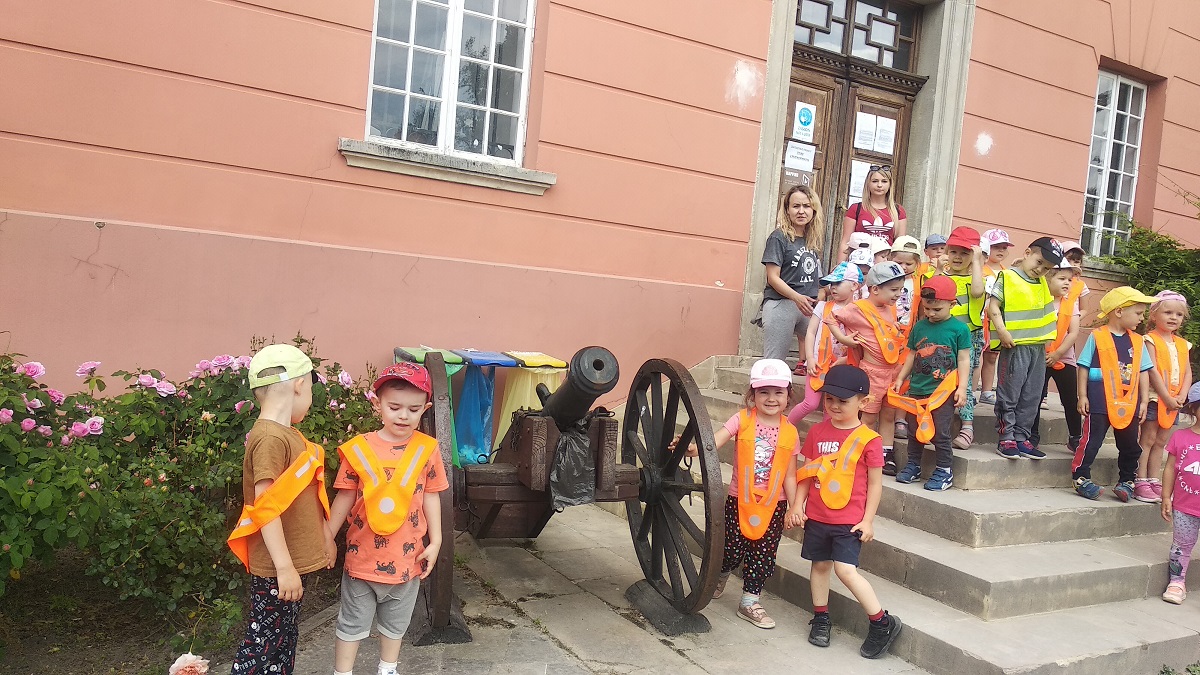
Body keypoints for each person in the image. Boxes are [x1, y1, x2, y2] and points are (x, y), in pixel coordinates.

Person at [327, 364, 447, 675]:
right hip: (361, 560)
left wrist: (436, 540)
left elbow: (431, 494)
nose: (403, 416)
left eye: (413, 409)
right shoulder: (359, 449)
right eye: (394, 407)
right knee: (351, 623)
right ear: (376, 404)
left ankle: (388, 668)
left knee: (396, 624)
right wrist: (327, 536)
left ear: (425, 409)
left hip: (407, 560)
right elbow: (344, 495)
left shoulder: (427, 450)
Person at [228, 344, 336, 675]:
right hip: (277, 566)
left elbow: (303, 497)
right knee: (264, 646)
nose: (311, 401)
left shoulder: (286, 435)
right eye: (311, 392)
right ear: (299, 385)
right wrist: (285, 567)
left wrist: (324, 538)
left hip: (287, 564)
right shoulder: (271, 439)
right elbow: (266, 507)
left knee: (282, 640)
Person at [787, 364, 901, 659]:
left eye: (843, 400)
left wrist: (868, 520)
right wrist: (797, 505)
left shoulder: (870, 440)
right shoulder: (816, 432)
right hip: (817, 517)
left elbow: (875, 484)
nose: (835, 405)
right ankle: (821, 618)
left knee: (845, 570)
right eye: (829, 399)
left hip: (849, 521)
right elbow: (807, 474)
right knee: (820, 566)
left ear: (864, 402)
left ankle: (881, 623)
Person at [707, 359, 799, 629]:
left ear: (788, 396)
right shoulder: (742, 419)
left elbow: (790, 475)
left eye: (778, 392)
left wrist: (795, 506)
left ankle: (749, 601)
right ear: (752, 394)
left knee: (763, 554)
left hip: (774, 505)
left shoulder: (791, 431)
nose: (771, 398)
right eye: (764, 392)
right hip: (740, 500)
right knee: (731, 549)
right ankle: (721, 574)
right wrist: (693, 448)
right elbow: (716, 440)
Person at [1071, 286, 1159, 500]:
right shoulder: (1097, 336)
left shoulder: (1138, 341)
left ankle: (1127, 481)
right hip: (1099, 401)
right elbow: (1083, 366)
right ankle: (1081, 478)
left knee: (1130, 445)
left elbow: (1144, 371)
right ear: (1119, 311)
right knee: (1091, 441)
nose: (1142, 318)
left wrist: (1144, 401)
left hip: (1128, 403)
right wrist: (1082, 395)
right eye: (1138, 313)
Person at [888, 275, 972, 490]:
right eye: (927, 308)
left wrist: (962, 388)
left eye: (937, 309)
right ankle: (913, 465)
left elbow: (964, 359)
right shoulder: (919, 327)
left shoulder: (960, 329)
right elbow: (911, 354)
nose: (931, 313)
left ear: (952, 304)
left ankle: (944, 470)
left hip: (943, 392)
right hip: (917, 389)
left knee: (941, 432)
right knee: (914, 431)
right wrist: (901, 378)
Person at [825, 262, 907, 475]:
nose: (898, 294)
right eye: (894, 289)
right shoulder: (858, 308)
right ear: (875, 288)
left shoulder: (890, 308)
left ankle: (886, 453)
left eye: (900, 289)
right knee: (869, 416)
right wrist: (844, 339)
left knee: (888, 415)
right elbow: (831, 318)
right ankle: (863, 451)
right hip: (872, 372)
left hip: (893, 372)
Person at [985, 237, 1064, 460]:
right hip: (1015, 346)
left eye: (1046, 268)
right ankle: (1006, 437)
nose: (1040, 270)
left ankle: (1021, 437)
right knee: (1010, 394)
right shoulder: (1008, 277)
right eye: (1039, 262)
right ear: (1027, 253)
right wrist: (1002, 331)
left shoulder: (1041, 282)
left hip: (1037, 348)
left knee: (1032, 396)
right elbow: (993, 306)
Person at [760, 185, 825, 372]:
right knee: (773, 365)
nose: (801, 211)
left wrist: (823, 293)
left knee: (824, 353)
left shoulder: (812, 239)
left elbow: (816, 277)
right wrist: (797, 297)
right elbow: (773, 278)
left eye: (806, 206)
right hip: (782, 304)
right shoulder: (778, 237)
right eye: (796, 206)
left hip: (808, 307)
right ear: (787, 210)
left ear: (813, 210)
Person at [788, 262, 861, 425]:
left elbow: (860, 340)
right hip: (817, 364)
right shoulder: (822, 306)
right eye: (831, 283)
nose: (833, 287)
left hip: (841, 367)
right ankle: (786, 428)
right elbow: (811, 332)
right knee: (810, 403)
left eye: (838, 283)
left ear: (854, 286)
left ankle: (827, 438)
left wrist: (845, 360)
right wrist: (809, 359)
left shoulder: (859, 311)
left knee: (832, 409)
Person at [1137, 291, 1193, 503]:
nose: (1173, 317)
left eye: (1178, 314)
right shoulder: (1150, 340)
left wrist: (1182, 395)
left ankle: (1153, 479)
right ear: (1153, 315)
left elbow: (1187, 372)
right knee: (1148, 439)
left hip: (1174, 401)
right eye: (1167, 312)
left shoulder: (1183, 344)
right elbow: (1151, 370)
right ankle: (1140, 479)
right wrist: (1166, 397)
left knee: (1161, 441)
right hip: (1155, 398)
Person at [1029, 259, 1085, 454]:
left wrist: (1058, 353)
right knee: (1035, 397)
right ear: (1048, 278)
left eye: (1069, 279)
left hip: (1064, 358)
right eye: (1062, 278)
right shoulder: (1039, 300)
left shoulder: (1071, 304)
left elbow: (1073, 332)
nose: (1067, 283)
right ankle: (1032, 434)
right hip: (1040, 358)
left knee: (1070, 399)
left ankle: (1075, 436)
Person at [940, 226, 986, 450]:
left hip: (968, 338)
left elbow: (977, 292)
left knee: (964, 382)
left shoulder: (976, 278)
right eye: (954, 251)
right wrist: (938, 270)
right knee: (939, 378)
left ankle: (967, 426)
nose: (957, 257)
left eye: (965, 253)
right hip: (942, 336)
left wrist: (977, 262)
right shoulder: (940, 274)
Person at [1160, 382, 1200, 604]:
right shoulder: (1180, 437)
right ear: (1193, 408)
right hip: (1185, 506)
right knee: (1181, 546)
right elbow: (1170, 468)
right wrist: (1166, 496)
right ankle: (1177, 582)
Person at [977, 228, 1013, 406]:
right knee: (977, 355)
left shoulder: (1007, 272)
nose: (1001, 251)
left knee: (992, 356)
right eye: (996, 246)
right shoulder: (980, 268)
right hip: (980, 318)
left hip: (996, 320)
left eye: (1004, 247)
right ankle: (972, 388)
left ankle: (986, 390)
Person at [840, 165, 907, 254]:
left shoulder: (898, 211)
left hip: (885, 260)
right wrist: (841, 262)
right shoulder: (856, 209)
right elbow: (846, 242)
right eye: (875, 181)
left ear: (890, 184)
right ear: (868, 183)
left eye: (884, 181)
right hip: (859, 259)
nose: (879, 185)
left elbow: (899, 246)